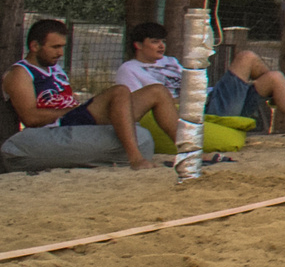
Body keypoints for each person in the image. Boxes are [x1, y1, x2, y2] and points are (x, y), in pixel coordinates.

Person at [118, 23, 285, 149]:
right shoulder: (130, 70)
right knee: (246, 57)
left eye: (162, 41)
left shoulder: (170, 62)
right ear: (138, 45)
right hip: (200, 111)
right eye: (155, 41)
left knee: (275, 77)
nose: (161, 45)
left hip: (211, 100)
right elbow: (136, 106)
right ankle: (281, 95)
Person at [2, 19, 169, 172]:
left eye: (62, 47)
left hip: (75, 118)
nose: (60, 53)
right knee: (119, 91)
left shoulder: (54, 69)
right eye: (55, 47)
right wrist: (75, 109)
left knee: (157, 91)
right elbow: (30, 118)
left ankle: (189, 153)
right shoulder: (20, 73)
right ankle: (136, 159)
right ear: (35, 46)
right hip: (57, 126)